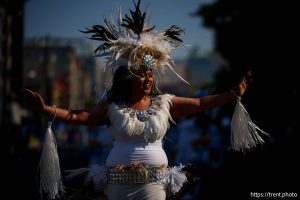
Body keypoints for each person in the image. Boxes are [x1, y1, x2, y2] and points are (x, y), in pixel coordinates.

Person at [21, 1, 267, 199]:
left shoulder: (165, 103)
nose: (148, 79)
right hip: (118, 187)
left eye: (150, 74)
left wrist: (232, 95)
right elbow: (80, 116)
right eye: (141, 75)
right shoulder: (113, 108)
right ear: (127, 78)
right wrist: (45, 108)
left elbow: (201, 104)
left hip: (154, 187)